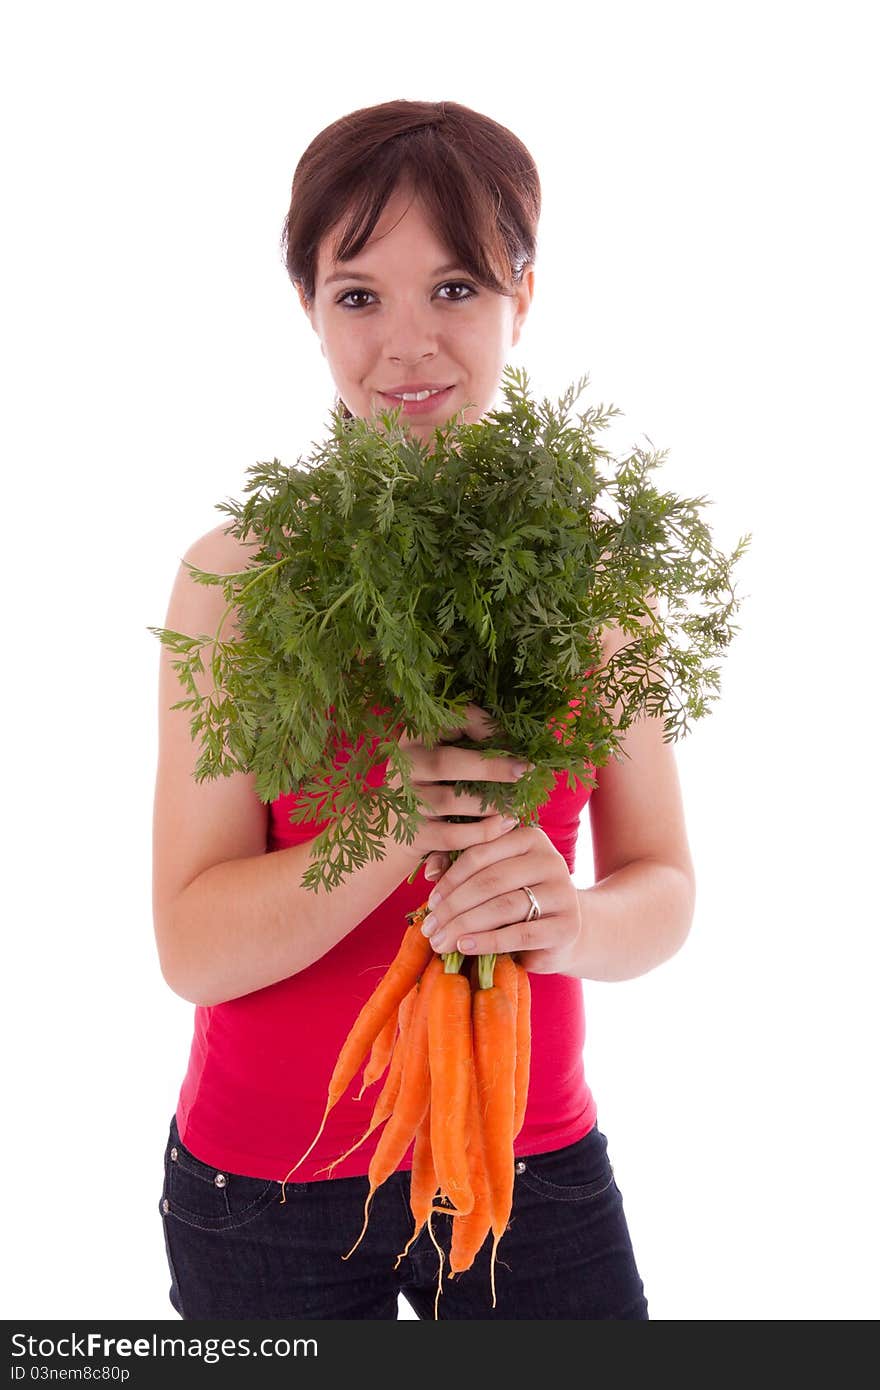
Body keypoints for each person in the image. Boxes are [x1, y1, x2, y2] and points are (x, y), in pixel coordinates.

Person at [153, 98, 695, 1320]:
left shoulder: (595, 578)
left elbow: (661, 885)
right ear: (308, 308)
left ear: (523, 296)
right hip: (265, 1194)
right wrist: (400, 820)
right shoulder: (237, 578)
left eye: (454, 288)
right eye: (359, 296)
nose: (408, 345)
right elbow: (189, 944)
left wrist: (572, 923)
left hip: (526, 1167)